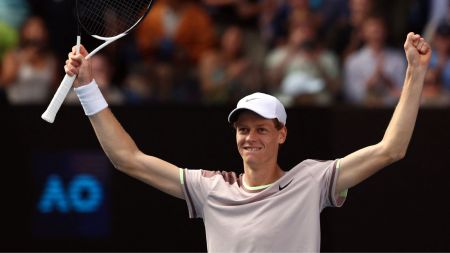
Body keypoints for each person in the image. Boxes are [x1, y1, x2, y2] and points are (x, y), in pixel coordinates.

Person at [63, 32, 431, 252]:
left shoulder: (311, 180)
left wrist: (415, 73)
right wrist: (89, 89)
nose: (250, 137)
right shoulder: (211, 188)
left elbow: (390, 149)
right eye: (243, 129)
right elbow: (128, 158)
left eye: (261, 129)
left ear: (282, 134)